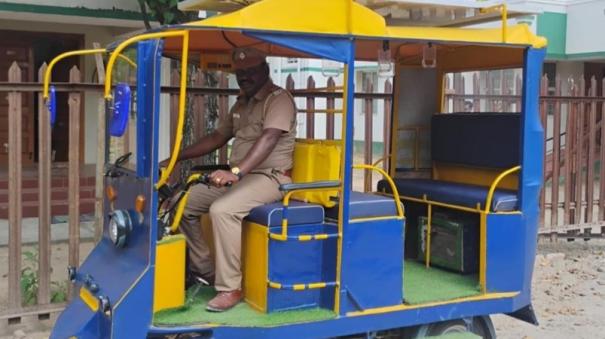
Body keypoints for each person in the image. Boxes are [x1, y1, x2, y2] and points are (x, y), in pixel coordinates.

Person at [164, 47, 296, 312]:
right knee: (180, 202)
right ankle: (205, 270)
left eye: (251, 71)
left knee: (223, 210)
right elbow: (217, 138)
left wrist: (235, 172)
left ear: (265, 70)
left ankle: (230, 288)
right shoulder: (242, 103)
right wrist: (176, 158)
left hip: (270, 178)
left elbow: (268, 138)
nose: (244, 76)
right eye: (240, 72)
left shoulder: (278, 99)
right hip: (242, 177)